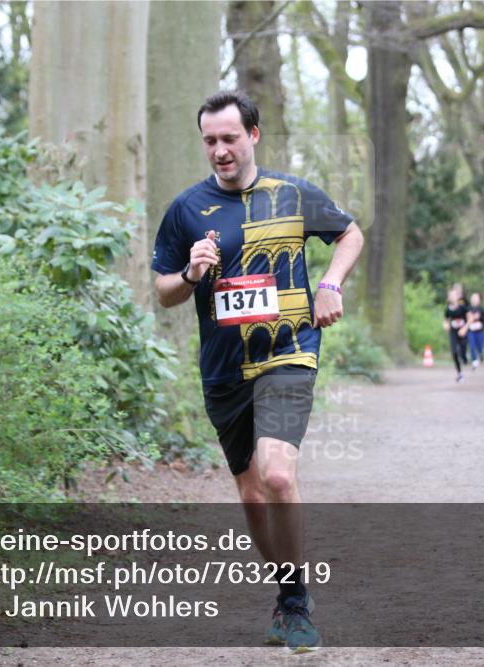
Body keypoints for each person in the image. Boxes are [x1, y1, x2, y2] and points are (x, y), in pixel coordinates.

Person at [151, 90, 364, 653]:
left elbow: (350, 233)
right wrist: (192, 273)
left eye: (229, 138)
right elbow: (163, 292)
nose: (220, 151)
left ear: (253, 136)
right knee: (250, 494)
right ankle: (286, 590)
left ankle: (295, 607)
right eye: (210, 141)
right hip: (223, 368)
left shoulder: (293, 195)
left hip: (289, 350)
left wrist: (330, 283)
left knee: (276, 475)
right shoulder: (185, 209)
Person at [443, 287, 469, 382]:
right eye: (451, 296)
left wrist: (464, 328)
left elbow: (470, 319)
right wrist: (445, 325)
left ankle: (464, 358)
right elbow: (446, 320)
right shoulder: (448, 310)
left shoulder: (463, 308)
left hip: (463, 332)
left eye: (454, 295)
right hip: (453, 333)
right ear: (449, 298)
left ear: (457, 297)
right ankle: (459, 373)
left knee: (462, 350)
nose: (453, 297)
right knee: (454, 352)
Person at [466, 292, 484, 368]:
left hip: (480, 332)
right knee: (472, 346)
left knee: (480, 347)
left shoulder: (482, 309)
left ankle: (480, 354)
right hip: (471, 331)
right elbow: (465, 319)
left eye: (476, 298)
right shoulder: (468, 309)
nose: (474, 299)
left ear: (479, 300)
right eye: (473, 298)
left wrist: (479, 318)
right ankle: (474, 360)